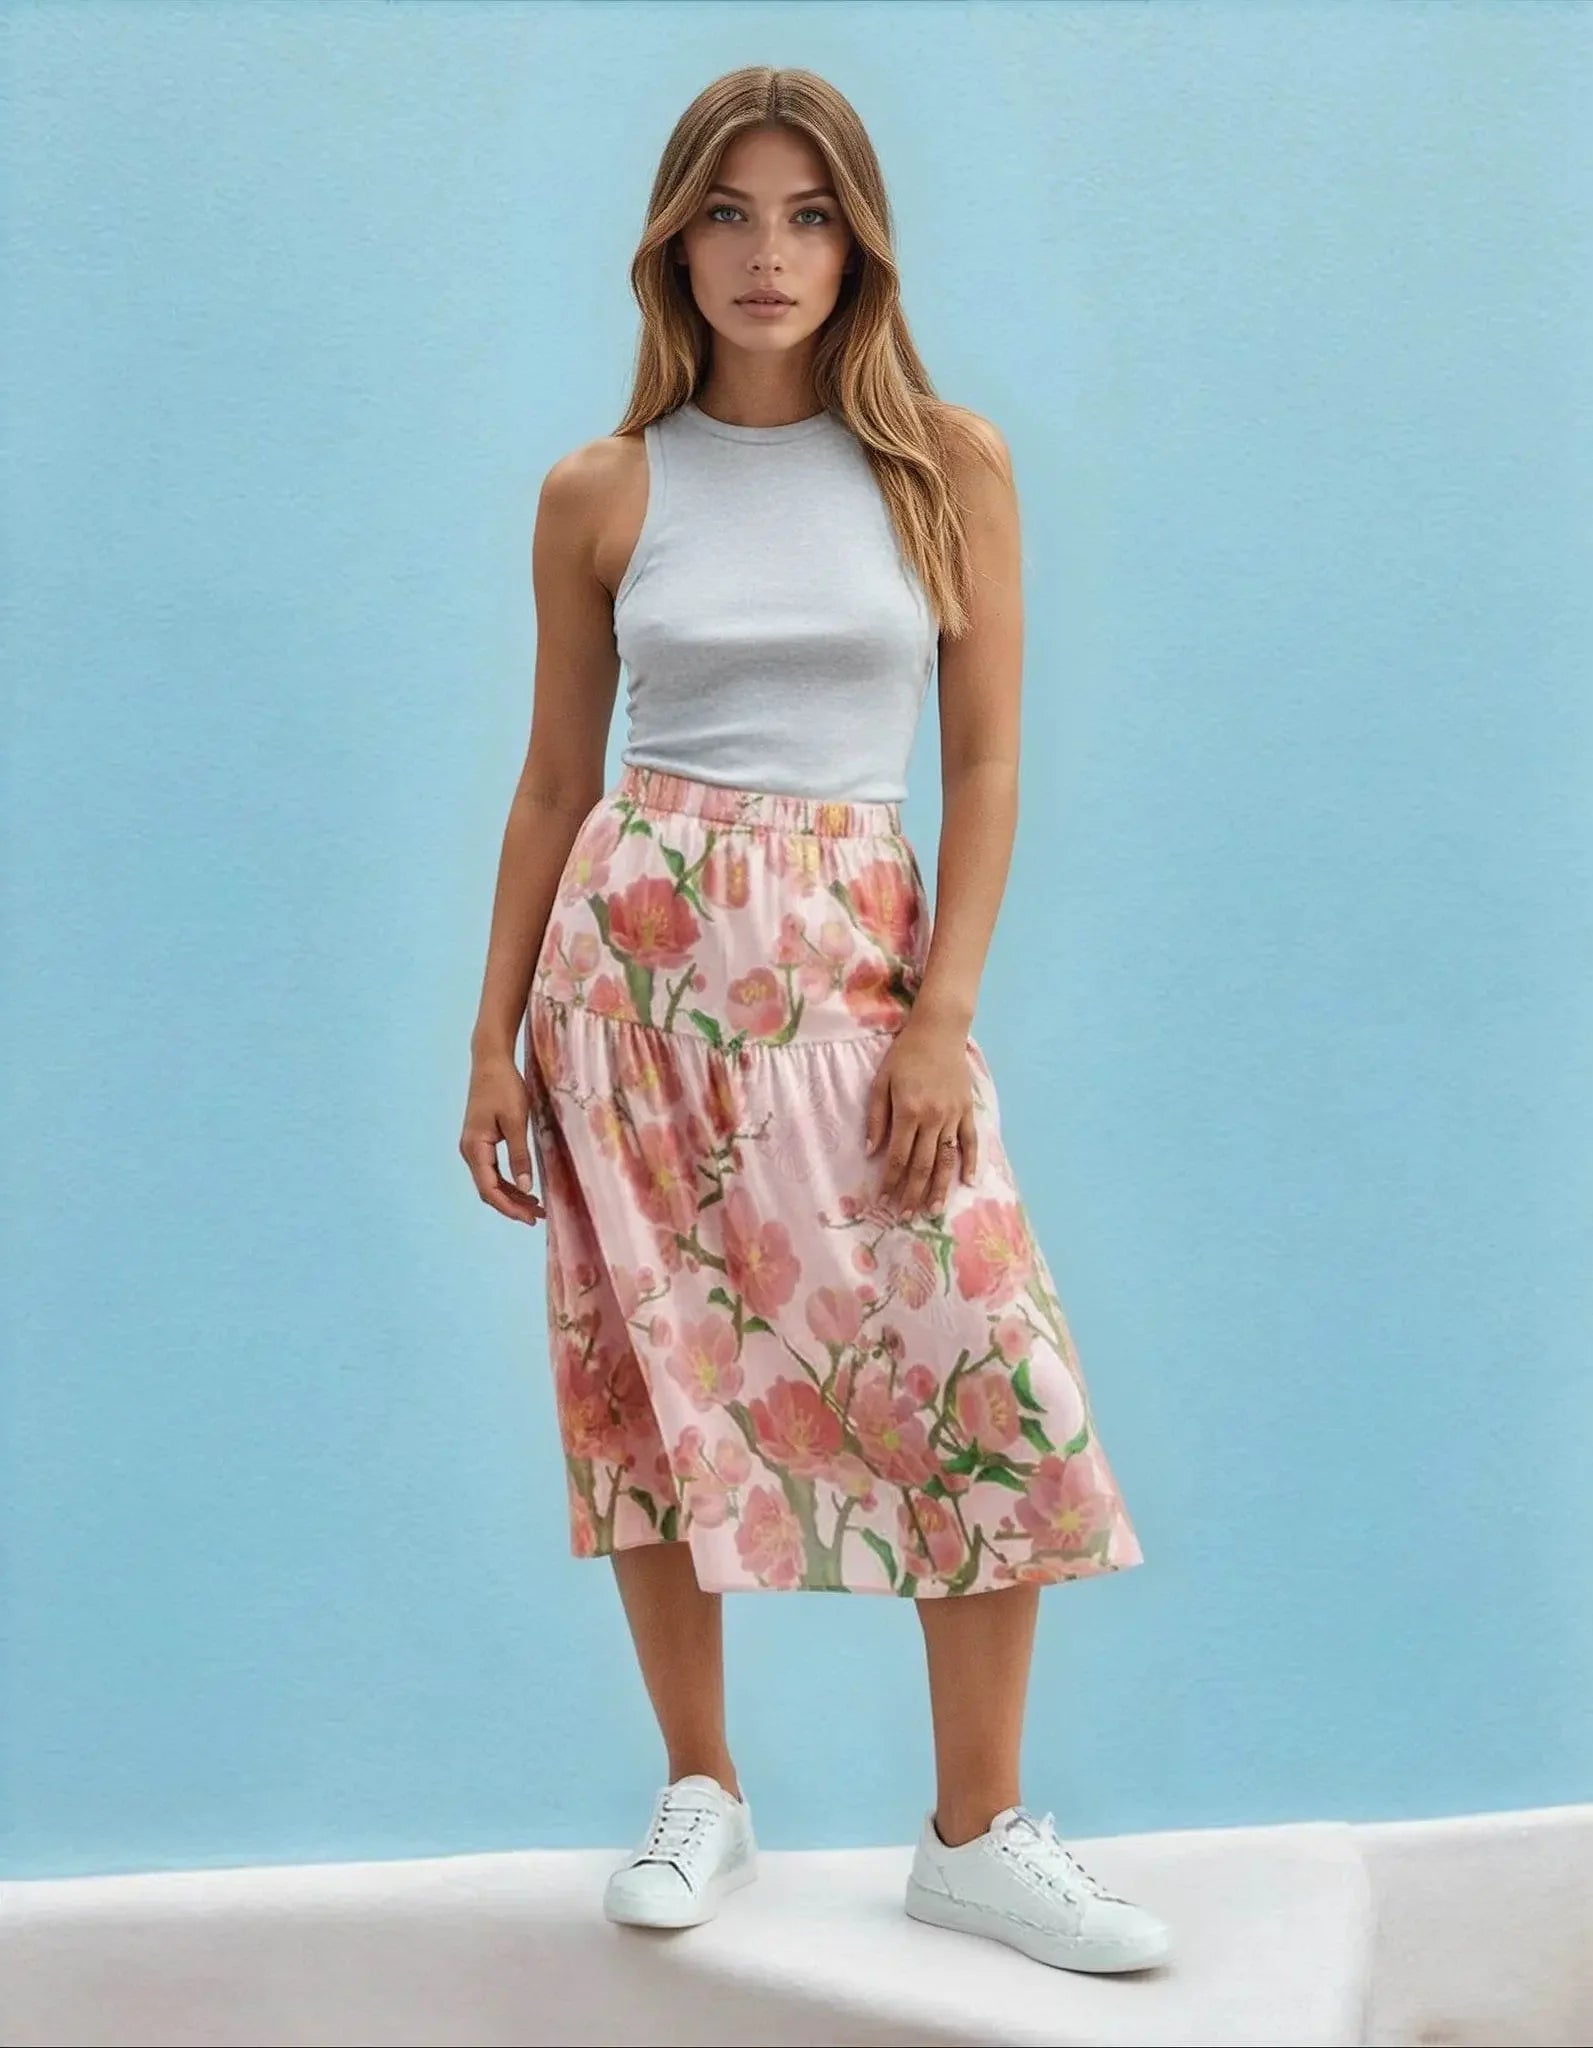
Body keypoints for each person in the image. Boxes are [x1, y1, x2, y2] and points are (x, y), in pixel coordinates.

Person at [461, 65, 1170, 1976]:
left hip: (851, 968)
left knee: (983, 1366)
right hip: (628, 981)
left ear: (857, 240)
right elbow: (550, 781)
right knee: (651, 1377)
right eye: (725, 213)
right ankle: (702, 1786)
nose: (764, 256)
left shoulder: (947, 461)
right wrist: (487, 1039)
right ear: (669, 240)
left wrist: (941, 1013)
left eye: (804, 214)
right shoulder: (604, 488)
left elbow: (990, 759)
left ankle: (977, 1828)